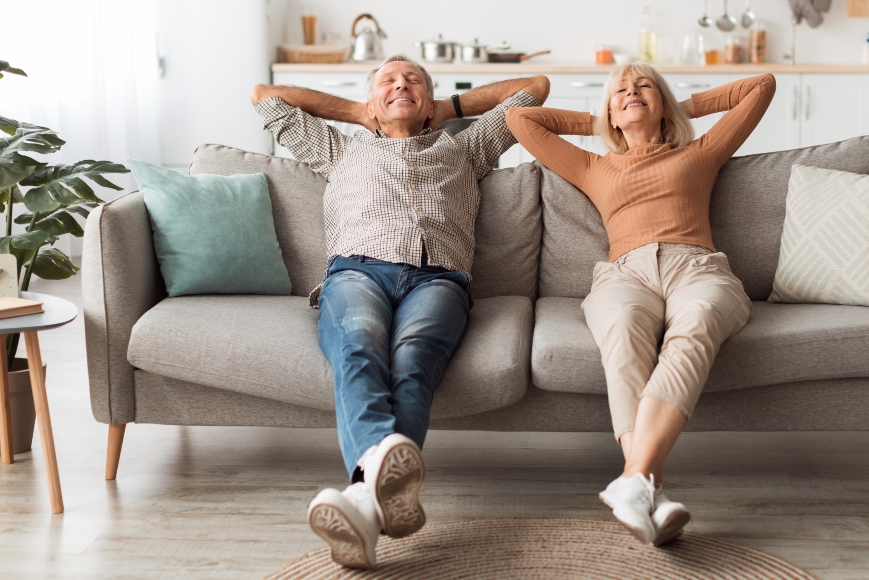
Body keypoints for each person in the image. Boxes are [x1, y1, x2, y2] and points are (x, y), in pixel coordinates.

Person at [252, 55, 549, 569]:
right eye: (387, 81)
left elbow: (535, 86)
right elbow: (263, 95)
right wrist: (359, 109)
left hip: (439, 280)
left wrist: (447, 108)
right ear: (371, 100)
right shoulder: (338, 148)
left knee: (414, 361)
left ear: (431, 99)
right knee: (360, 344)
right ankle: (374, 495)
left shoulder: (467, 147)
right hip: (357, 274)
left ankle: (364, 504)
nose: (401, 84)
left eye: (413, 80)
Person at [507, 64, 774, 546]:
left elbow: (761, 86)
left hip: (696, 268)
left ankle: (635, 480)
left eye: (643, 86)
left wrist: (681, 107)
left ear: (662, 101)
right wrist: (600, 119)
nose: (631, 92)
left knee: (698, 321)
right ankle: (647, 487)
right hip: (625, 274)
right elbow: (520, 122)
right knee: (624, 329)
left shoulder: (702, 152)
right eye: (620, 90)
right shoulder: (594, 166)